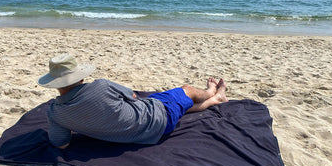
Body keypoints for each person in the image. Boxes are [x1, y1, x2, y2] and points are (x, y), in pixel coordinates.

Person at [38, 54, 228, 149]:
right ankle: (210, 92)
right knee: (187, 90)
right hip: (157, 119)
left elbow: (61, 144)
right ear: (80, 78)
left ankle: (214, 100)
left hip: (135, 133)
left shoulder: (55, 113)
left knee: (179, 107)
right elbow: (134, 96)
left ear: (55, 84)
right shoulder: (101, 86)